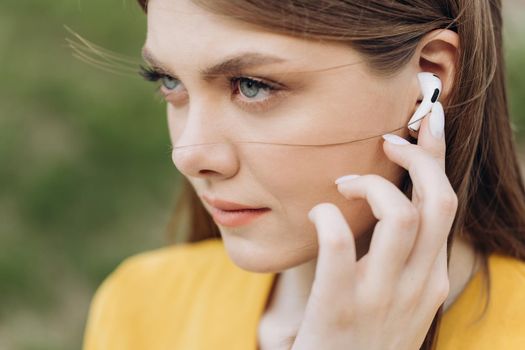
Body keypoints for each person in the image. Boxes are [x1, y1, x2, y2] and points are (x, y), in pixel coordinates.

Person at [82, 0, 525, 349]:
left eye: (252, 85)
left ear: (428, 78)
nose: (187, 154)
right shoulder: (140, 306)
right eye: (170, 81)